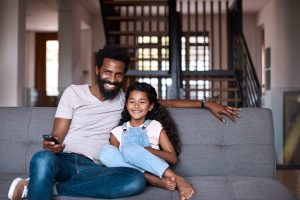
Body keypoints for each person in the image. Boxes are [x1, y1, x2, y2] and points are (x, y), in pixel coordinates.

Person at [8, 45, 240, 200]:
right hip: (66, 161)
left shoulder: (124, 101)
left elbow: (163, 102)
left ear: (123, 77)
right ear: (98, 70)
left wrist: (206, 103)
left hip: (98, 169)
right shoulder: (73, 93)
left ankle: (52, 186)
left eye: (118, 75)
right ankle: (43, 179)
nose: (112, 79)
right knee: (41, 158)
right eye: (108, 72)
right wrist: (54, 144)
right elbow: (57, 133)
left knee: (134, 181)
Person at [99, 82, 195, 200]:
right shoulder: (117, 132)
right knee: (105, 152)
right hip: (133, 175)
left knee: (130, 149)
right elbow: (117, 162)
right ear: (126, 104)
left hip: (156, 169)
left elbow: (173, 158)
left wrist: (147, 150)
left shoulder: (154, 126)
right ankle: (154, 181)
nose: (136, 106)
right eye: (132, 101)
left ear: (150, 106)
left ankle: (176, 178)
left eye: (142, 102)